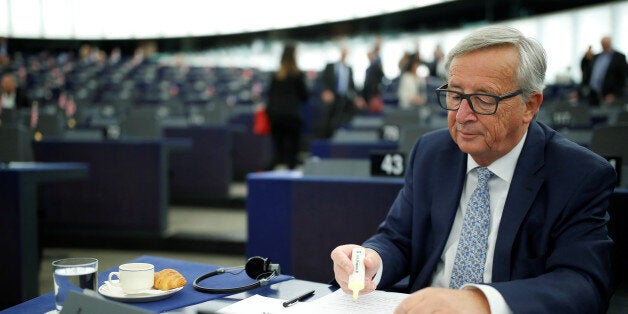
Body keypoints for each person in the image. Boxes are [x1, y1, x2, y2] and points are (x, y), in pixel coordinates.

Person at [331, 25, 616, 313]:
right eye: (455, 95)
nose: (462, 116)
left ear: (529, 105)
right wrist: (371, 260)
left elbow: (584, 282)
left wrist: (481, 301)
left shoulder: (578, 174)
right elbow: (398, 238)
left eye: (484, 99)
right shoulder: (431, 153)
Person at [265, 43, 309, 170]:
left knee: (278, 152)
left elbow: (270, 94)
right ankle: (291, 181)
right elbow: (304, 96)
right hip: (291, 116)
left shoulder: (276, 75)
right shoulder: (297, 75)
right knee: (292, 154)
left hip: (275, 116)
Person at [319, 46, 365, 138]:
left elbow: (352, 87)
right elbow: (322, 81)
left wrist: (357, 98)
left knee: (343, 119)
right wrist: (325, 91)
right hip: (331, 97)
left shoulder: (349, 69)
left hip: (344, 98)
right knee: (328, 121)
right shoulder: (330, 66)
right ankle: (326, 140)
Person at [586, 36, 627, 106]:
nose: (605, 45)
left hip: (609, 94)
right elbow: (588, 74)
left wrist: (615, 94)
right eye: (603, 43)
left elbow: (623, 78)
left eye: (606, 43)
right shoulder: (596, 57)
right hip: (593, 93)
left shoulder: (619, 57)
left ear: (610, 43)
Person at [362, 37, 385, 113]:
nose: (369, 56)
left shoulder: (376, 65)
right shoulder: (368, 69)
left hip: (375, 94)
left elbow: (381, 76)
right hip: (368, 94)